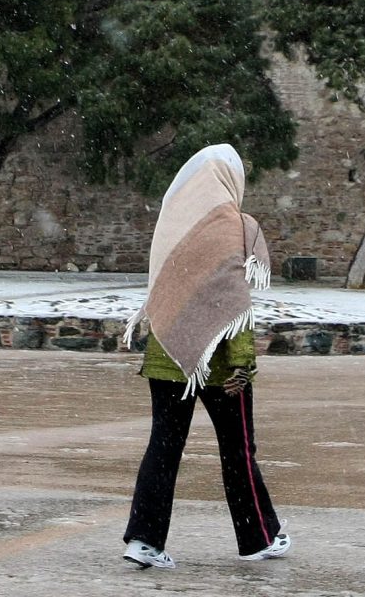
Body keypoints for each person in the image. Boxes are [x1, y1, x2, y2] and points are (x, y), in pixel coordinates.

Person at [118, 144, 289, 569]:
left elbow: (164, 292)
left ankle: (144, 541)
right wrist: (244, 362)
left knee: (164, 446)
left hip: (168, 352)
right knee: (238, 450)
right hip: (222, 361)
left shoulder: (172, 223)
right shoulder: (237, 225)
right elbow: (234, 297)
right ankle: (259, 537)